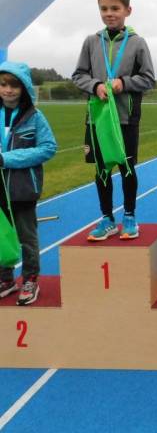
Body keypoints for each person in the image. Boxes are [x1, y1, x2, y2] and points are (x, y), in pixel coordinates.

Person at [72, 0, 155, 241]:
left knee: (127, 167)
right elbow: (78, 75)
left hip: (125, 118)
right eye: (104, 8)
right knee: (102, 170)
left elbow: (148, 79)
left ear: (128, 10)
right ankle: (107, 218)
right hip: (97, 119)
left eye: (115, 8)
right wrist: (95, 85)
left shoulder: (138, 43)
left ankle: (129, 216)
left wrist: (123, 83)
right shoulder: (91, 42)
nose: (109, 13)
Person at [0, 62, 57, 305]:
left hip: (23, 188)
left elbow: (48, 148)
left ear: (23, 88)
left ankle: (30, 279)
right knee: (2, 235)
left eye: (14, 85)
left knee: (26, 237)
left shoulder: (35, 117)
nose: (8, 90)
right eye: (3, 84)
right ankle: (5, 279)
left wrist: (7, 159)